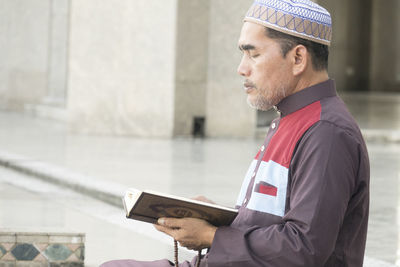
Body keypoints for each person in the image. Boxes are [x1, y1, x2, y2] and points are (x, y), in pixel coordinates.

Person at [101, 0, 370, 266]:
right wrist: (218, 217)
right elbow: (271, 223)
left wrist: (210, 236)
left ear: (298, 58)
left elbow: (304, 248)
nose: (242, 68)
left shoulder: (326, 132)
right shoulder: (291, 120)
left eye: (253, 54)